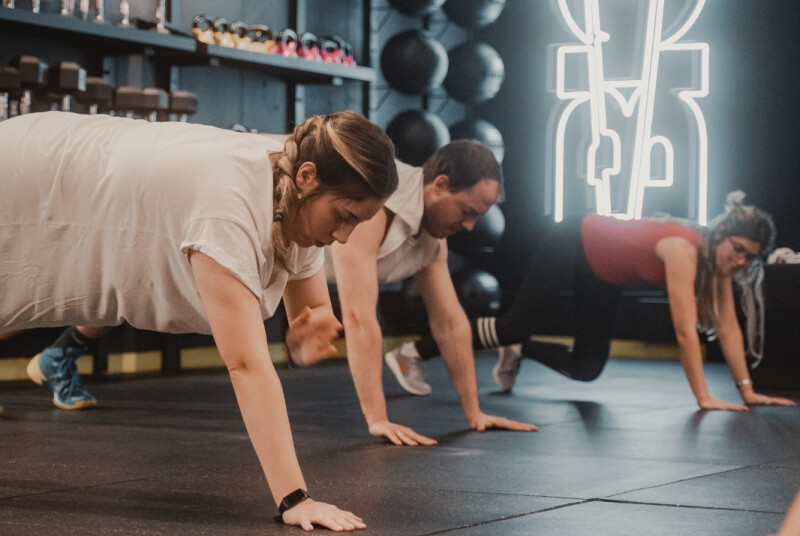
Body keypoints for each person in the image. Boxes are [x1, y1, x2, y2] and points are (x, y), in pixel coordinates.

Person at [0, 109, 399, 531]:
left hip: (76, 167)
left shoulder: (298, 191)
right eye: (344, 216)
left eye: (357, 223)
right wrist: (295, 499)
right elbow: (245, 365)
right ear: (306, 178)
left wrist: (302, 342)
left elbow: (310, 315)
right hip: (32, 170)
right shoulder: (229, 209)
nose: (344, 238)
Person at [393, 192, 796, 412]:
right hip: (576, 238)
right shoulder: (683, 248)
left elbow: (728, 327)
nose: (741, 261)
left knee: (586, 368)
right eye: (739, 250)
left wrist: (747, 391)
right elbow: (684, 332)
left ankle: (518, 349)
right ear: (721, 233)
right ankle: (412, 353)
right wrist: (703, 398)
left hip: (605, 273)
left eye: (749, 258)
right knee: (516, 322)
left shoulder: (716, 264)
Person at [289, 140, 537, 446]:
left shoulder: (432, 238)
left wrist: (475, 414)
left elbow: (450, 323)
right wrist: (378, 419)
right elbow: (358, 316)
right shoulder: (377, 200)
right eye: (467, 211)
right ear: (440, 185)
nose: (470, 226)